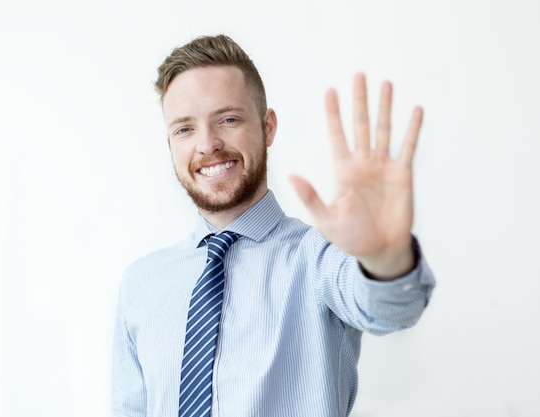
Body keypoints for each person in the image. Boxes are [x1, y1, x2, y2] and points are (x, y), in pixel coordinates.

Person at [112, 34, 435, 417]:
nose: (208, 144)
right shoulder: (141, 284)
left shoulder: (318, 259)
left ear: (267, 128)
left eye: (228, 119)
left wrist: (385, 258)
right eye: (185, 129)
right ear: (170, 145)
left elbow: (393, 307)